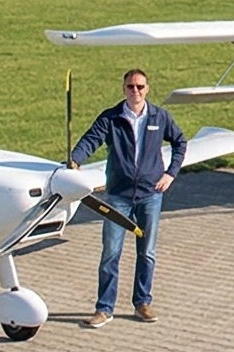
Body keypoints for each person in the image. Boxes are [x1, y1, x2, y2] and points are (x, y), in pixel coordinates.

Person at [66, 68, 188, 328]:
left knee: (147, 253)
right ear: (123, 89)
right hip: (118, 196)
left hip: (150, 196)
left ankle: (142, 302)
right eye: (131, 87)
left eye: (140, 87)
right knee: (111, 253)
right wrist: (75, 160)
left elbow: (180, 142)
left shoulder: (159, 117)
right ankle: (104, 308)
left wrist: (171, 174)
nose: (136, 91)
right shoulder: (112, 118)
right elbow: (91, 139)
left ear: (148, 89)